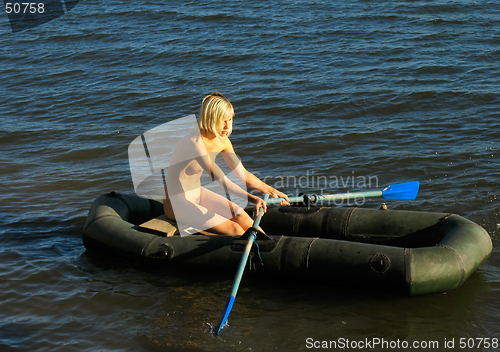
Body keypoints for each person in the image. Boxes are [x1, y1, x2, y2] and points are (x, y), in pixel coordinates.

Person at [163, 92, 289, 236]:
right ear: (210, 119)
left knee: (241, 215)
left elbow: (242, 173)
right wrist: (252, 198)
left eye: (229, 120)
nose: (227, 126)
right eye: (223, 120)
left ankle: (268, 248)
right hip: (177, 203)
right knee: (234, 229)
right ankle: (254, 252)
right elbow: (221, 179)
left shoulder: (223, 142)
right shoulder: (195, 143)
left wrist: (270, 190)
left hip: (197, 193)